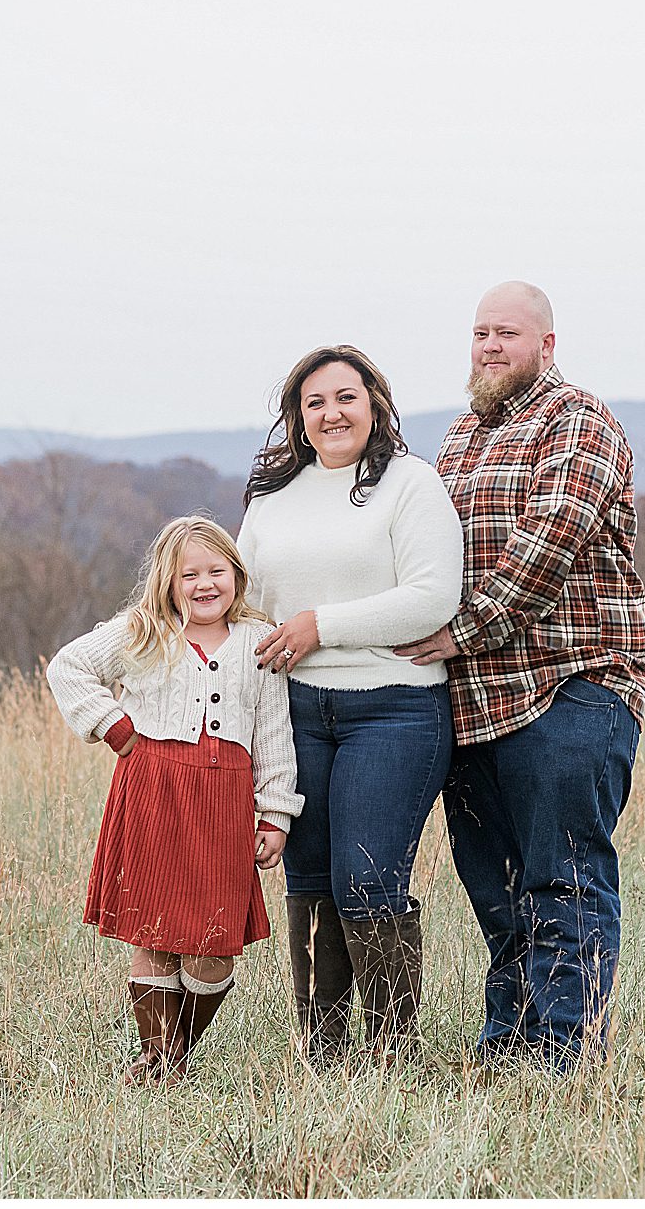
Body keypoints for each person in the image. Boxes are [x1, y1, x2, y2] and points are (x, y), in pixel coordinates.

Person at [397, 281, 645, 1070]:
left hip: (571, 683)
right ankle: (510, 1043)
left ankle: (567, 1051)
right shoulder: (457, 441)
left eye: (507, 332)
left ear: (547, 343)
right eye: (479, 333)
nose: (490, 346)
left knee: (563, 877)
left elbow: (551, 542)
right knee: (498, 891)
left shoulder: (580, 421)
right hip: (472, 704)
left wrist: (457, 631)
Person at [237, 345, 463, 1066]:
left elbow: (430, 600)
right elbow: (245, 604)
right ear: (298, 418)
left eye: (345, 398)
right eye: (315, 403)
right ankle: (324, 1053)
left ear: (375, 405)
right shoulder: (273, 498)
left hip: (393, 708)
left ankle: (393, 1053)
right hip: (294, 711)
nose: (331, 413)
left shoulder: (411, 486)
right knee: (307, 879)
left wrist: (318, 626)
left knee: (366, 879)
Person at [46, 515, 302, 1084]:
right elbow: (68, 667)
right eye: (190, 574)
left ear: (237, 576)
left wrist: (276, 813)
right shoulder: (143, 631)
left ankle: (179, 1044)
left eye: (217, 571)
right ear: (167, 580)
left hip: (223, 802)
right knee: (154, 930)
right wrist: (113, 727)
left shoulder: (259, 642)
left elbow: (274, 735)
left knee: (214, 945)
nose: (204, 584)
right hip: (153, 791)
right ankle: (159, 1059)